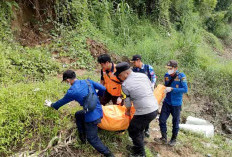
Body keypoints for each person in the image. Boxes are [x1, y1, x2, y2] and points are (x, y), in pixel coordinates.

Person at [44, 70, 114, 157]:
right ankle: (82, 136)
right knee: (78, 114)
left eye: (66, 82)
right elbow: (103, 89)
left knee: (92, 139)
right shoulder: (88, 81)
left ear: (68, 80)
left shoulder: (72, 92)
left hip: (92, 117)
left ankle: (109, 154)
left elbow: (61, 102)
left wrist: (51, 104)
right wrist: (96, 95)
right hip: (99, 110)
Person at [115, 62, 158, 157]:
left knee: (133, 129)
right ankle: (137, 148)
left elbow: (127, 101)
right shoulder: (143, 76)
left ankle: (141, 154)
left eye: (120, 75)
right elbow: (150, 88)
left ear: (126, 73)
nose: (119, 78)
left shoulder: (125, 84)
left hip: (145, 111)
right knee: (139, 129)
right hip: (154, 107)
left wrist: (127, 111)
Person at [154, 60, 188, 146]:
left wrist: (173, 89)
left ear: (175, 68)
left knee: (175, 122)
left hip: (176, 104)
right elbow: (166, 86)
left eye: (170, 68)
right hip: (167, 102)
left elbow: (185, 89)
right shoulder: (166, 76)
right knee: (162, 120)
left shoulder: (181, 76)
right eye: (168, 68)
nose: (169, 70)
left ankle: (173, 139)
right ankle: (164, 137)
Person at [131, 54, 157, 138]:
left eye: (134, 62)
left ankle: (147, 129)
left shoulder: (148, 68)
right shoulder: (134, 70)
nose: (133, 64)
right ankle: (141, 128)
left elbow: (153, 77)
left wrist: (152, 84)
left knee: (147, 109)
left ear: (138, 60)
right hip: (138, 93)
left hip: (148, 92)